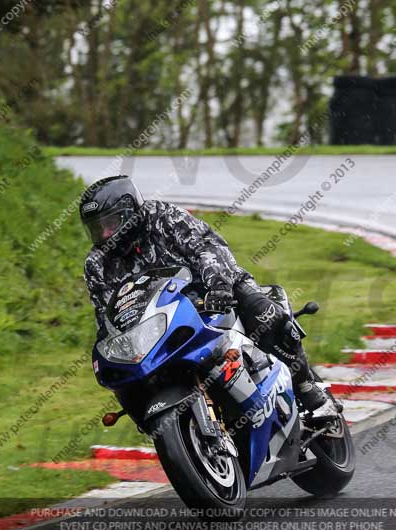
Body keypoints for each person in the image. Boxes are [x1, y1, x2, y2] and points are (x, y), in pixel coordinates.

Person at [80, 175, 327, 414]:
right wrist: (113, 344)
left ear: (130, 211)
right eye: (97, 228)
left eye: (110, 224)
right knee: (126, 383)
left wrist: (218, 285)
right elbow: (106, 312)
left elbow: (207, 246)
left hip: (212, 293)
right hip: (159, 323)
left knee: (264, 313)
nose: (104, 234)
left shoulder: (163, 217)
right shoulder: (96, 263)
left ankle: (305, 384)